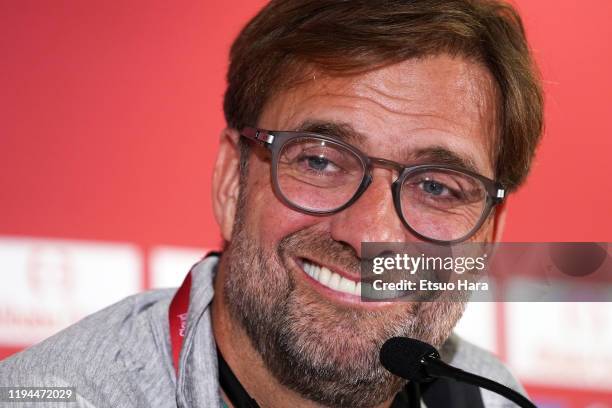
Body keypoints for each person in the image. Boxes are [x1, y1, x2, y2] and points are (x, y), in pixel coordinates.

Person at [0, 0, 543, 407]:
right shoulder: (61, 395)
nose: (367, 234)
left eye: (437, 187)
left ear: (485, 238)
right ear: (232, 179)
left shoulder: (490, 398)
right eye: (321, 161)